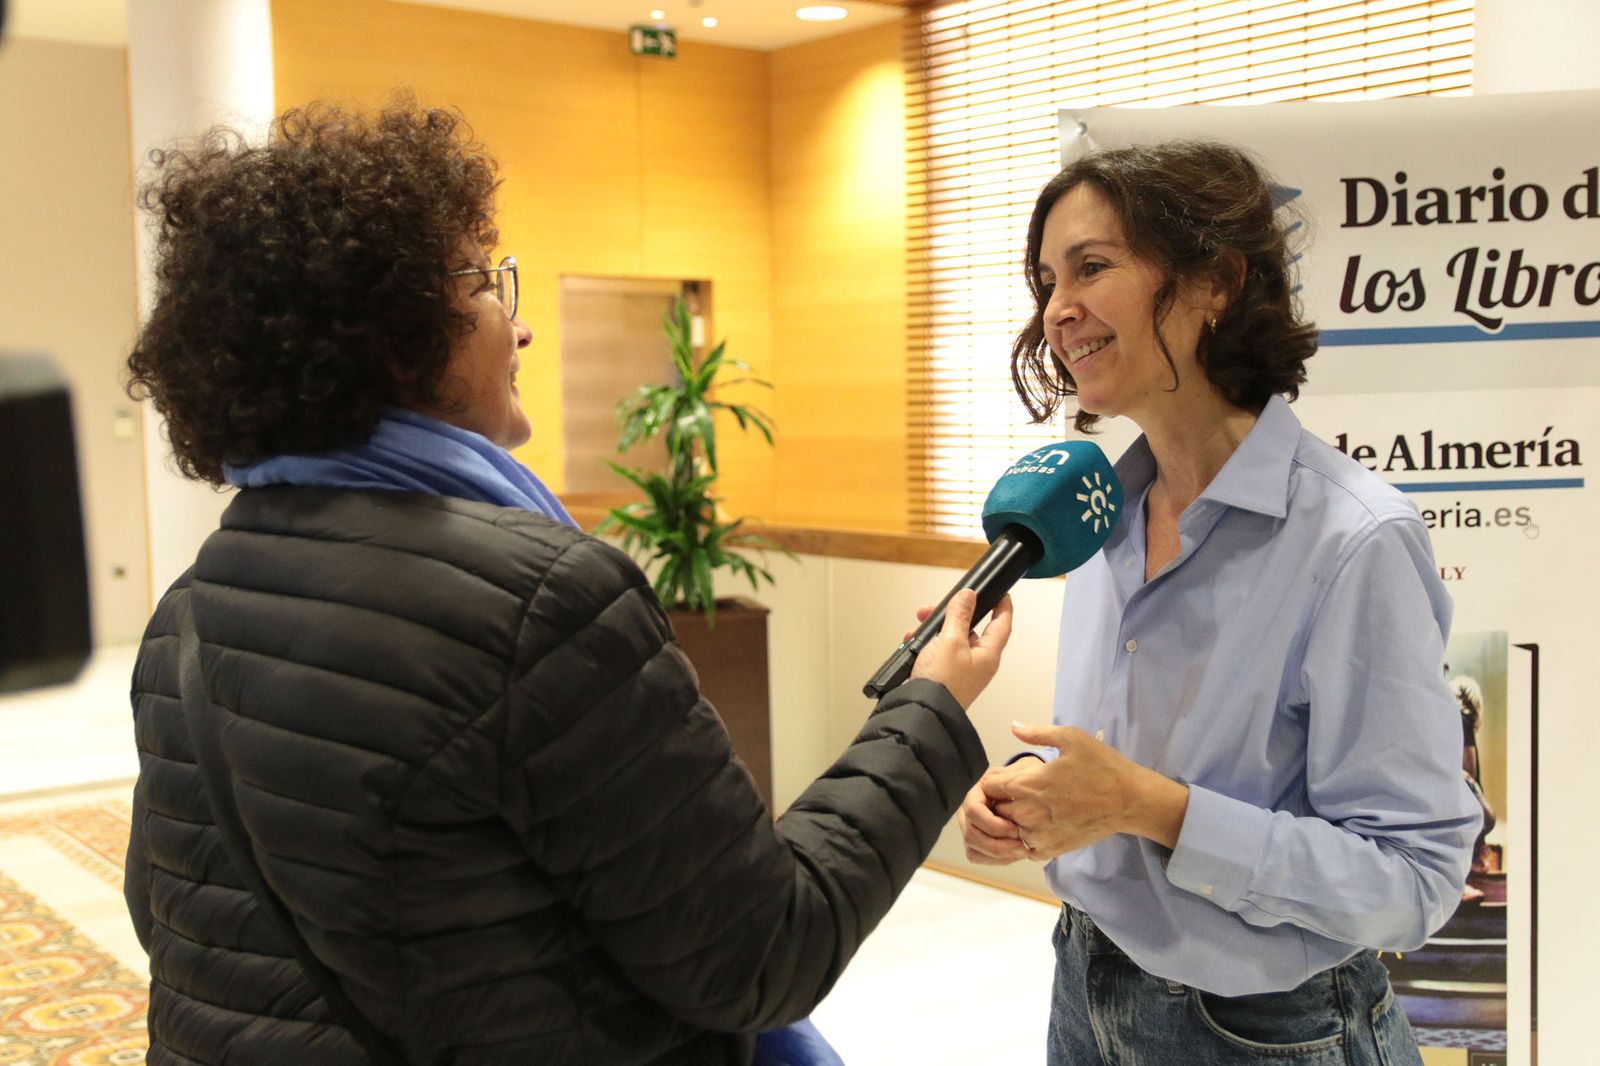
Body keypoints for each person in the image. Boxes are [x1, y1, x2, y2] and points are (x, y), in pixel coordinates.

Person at [122, 98, 1013, 1066]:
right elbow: (763, 953)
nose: (523, 329)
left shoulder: (191, 609)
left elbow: (178, 914)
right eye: (484, 282)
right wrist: (930, 707)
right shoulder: (535, 602)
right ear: (392, 332)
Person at [954, 140, 1481, 1065]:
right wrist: (1038, 795)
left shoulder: (1354, 540)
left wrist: (1150, 807)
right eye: (1046, 281)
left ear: (1216, 283)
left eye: (1092, 266)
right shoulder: (1100, 515)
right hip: (1083, 982)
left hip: (1268, 1030)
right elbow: (1130, 766)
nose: (1057, 310)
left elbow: (1414, 881)